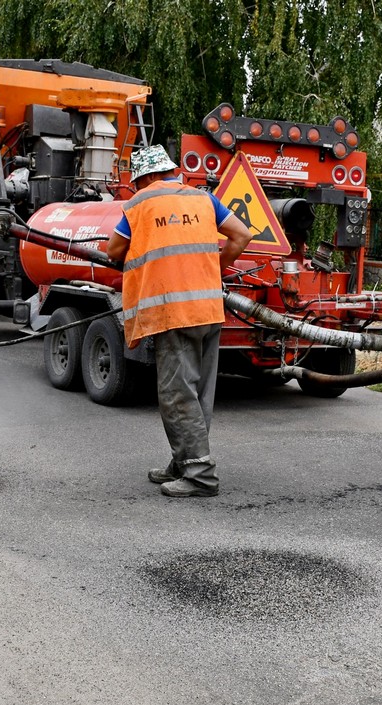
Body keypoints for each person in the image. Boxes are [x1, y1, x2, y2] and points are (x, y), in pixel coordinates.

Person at [106, 145, 253, 498]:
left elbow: (113, 251)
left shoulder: (140, 204)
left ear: (146, 176)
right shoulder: (204, 199)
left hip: (173, 310)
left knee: (176, 393)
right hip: (209, 308)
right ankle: (183, 461)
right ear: (170, 170)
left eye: (139, 180)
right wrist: (213, 268)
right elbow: (242, 235)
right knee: (199, 391)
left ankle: (200, 475)